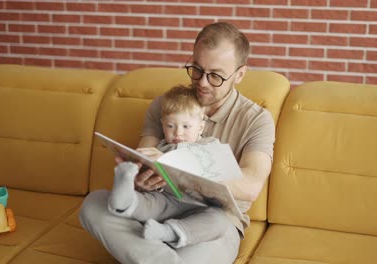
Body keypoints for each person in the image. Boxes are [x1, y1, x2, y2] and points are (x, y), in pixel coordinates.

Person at [80, 21, 275, 264]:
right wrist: (140, 177)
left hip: (211, 224)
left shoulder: (256, 120)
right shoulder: (167, 104)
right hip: (159, 208)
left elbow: (250, 186)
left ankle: (153, 254)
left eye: (215, 76)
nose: (202, 82)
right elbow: (144, 154)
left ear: (240, 74)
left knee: (217, 225)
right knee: (94, 204)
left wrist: (186, 168)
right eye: (196, 69)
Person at [109, 84, 234, 249]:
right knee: (147, 204)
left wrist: (169, 160)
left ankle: (167, 232)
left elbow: (220, 171)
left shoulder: (210, 145)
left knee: (220, 221)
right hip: (165, 200)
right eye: (170, 126)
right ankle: (124, 197)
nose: (178, 133)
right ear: (162, 125)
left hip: (198, 206)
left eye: (186, 126)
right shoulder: (159, 148)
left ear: (201, 127)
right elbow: (151, 181)